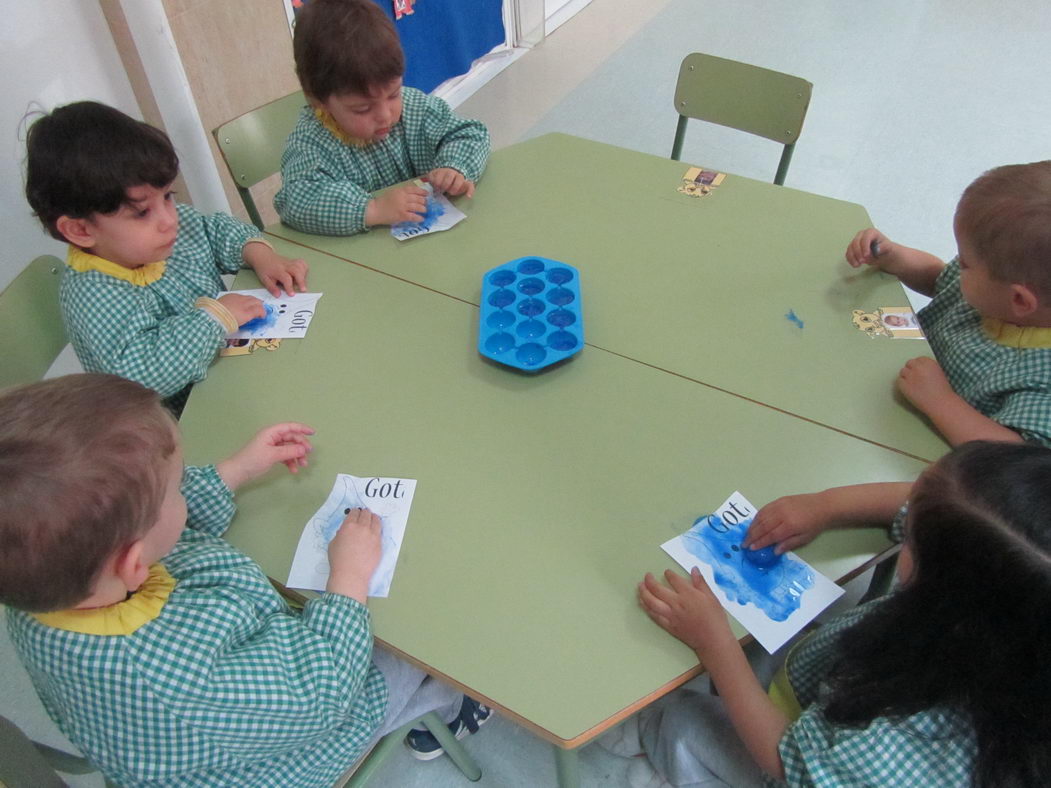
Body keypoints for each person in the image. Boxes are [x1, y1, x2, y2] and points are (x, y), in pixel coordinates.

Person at [0, 374, 489, 786]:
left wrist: (236, 470)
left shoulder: (48, 579)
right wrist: (348, 577)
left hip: (223, 717)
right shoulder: (173, 682)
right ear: (132, 562)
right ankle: (447, 708)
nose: (185, 487)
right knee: (418, 634)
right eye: (176, 488)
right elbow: (325, 694)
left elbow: (167, 531)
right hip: (288, 750)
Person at [617, 441, 1051, 788]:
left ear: (949, 596)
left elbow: (790, 761)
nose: (906, 520)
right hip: (836, 694)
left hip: (805, 762)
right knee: (767, 646)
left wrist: (715, 646)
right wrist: (827, 505)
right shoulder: (1011, 601)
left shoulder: (903, 749)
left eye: (913, 539)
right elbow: (944, 506)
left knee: (677, 719)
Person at [24, 101, 310, 413]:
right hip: (179, 423)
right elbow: (145, 377)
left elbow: (215, 230)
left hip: (233, 378)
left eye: (168, 197)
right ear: (79, 230)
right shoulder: (93, 295)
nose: (169, 219)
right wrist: (216, 318)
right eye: (142, 211)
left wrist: (257, 254)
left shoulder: (163, 233)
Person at [845, 160, 1051, 446]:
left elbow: (1017, 457)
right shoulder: (996, 292)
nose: (958, 265)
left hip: (922, 454)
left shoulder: (1042, 375)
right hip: (884, 388)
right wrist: (895, 258)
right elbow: (941, 278)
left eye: (965, 262)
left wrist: (941, 401)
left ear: (1019, 299)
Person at [274, 0, 490, 236]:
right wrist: (372, 209)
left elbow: (470, 134)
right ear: (318, 100)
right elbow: (295, 201)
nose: (386, 115)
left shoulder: (411, 107)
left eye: (393, 94)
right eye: (362, 109)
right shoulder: (310, 144)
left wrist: (453, 167)